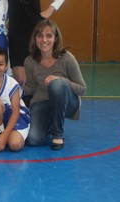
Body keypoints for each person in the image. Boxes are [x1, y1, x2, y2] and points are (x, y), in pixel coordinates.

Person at [23, 19, 86, 150]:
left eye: (49, 35)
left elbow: (82, 89)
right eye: (40, 35)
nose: (44, 40)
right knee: (33, 139)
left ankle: (58, 134)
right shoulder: (29, 61)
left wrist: (61, 80)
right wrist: (12, 88)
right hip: (41, 101)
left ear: (56, 38)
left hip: (67, 102)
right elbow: (32, 88)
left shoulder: (67, 58)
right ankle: (49, 123)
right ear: (35, 38)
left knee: (56, 84)